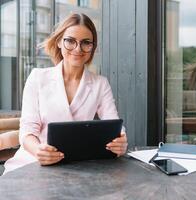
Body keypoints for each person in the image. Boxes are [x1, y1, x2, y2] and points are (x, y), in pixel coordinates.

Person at [3, 13, 127, 174]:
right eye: (70, 41)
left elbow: (114, 124)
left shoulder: (100, 83)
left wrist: (121, 141)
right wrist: (38, 151)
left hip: (78, 166)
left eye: (86, 43)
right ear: (60, 42)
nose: (78, 49)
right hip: (34, 162)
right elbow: (27, 131)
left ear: (92, 48)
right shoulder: (38, 78)